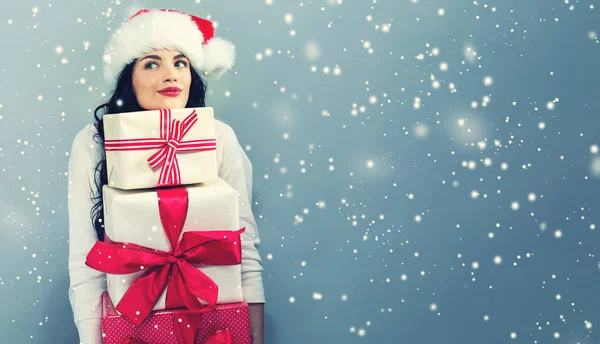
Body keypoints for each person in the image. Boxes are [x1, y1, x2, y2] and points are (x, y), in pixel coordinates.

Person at [67, 9, 265, 344]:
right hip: (131, 326)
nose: (170, 75)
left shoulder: (218, 137)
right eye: (151, 63)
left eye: (180, 62)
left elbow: (243, 247)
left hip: (214, 323)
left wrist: (253, 337)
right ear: (128, 76)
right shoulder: (93, 141)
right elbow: (85, 262)